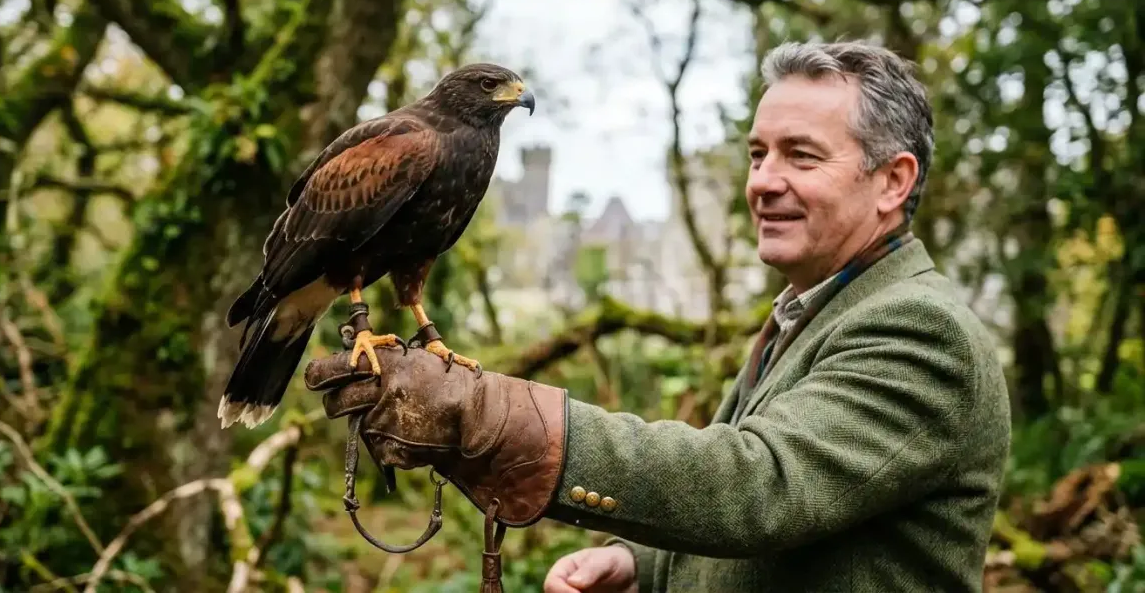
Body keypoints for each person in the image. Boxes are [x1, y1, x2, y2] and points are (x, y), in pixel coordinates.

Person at [303, 40, 1012, 592]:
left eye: (800, 156)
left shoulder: (920, 330)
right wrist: (642, 566)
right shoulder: (814, 309)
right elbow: (806, 521)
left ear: (893, 182)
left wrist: (494, 418)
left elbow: (759, 485)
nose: (764, 182)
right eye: (758, 154)